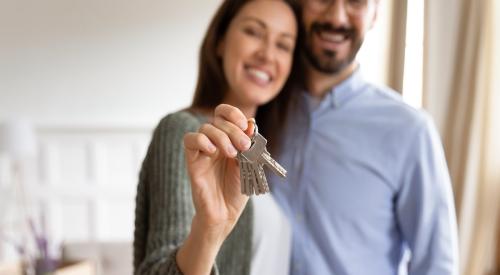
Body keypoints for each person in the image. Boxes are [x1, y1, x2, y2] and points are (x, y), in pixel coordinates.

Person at [207, 0, 459, 274]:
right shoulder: (258, 112)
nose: (337, 17)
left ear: (375, 14)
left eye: (356, 2)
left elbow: (437, 266)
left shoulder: (411, 131)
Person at [133, 0, 301, 274]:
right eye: (253, 32)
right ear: (220, 41)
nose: (268, 54)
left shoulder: (274, 148)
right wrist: (209, 228)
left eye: (283, 45)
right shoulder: (185, 132)